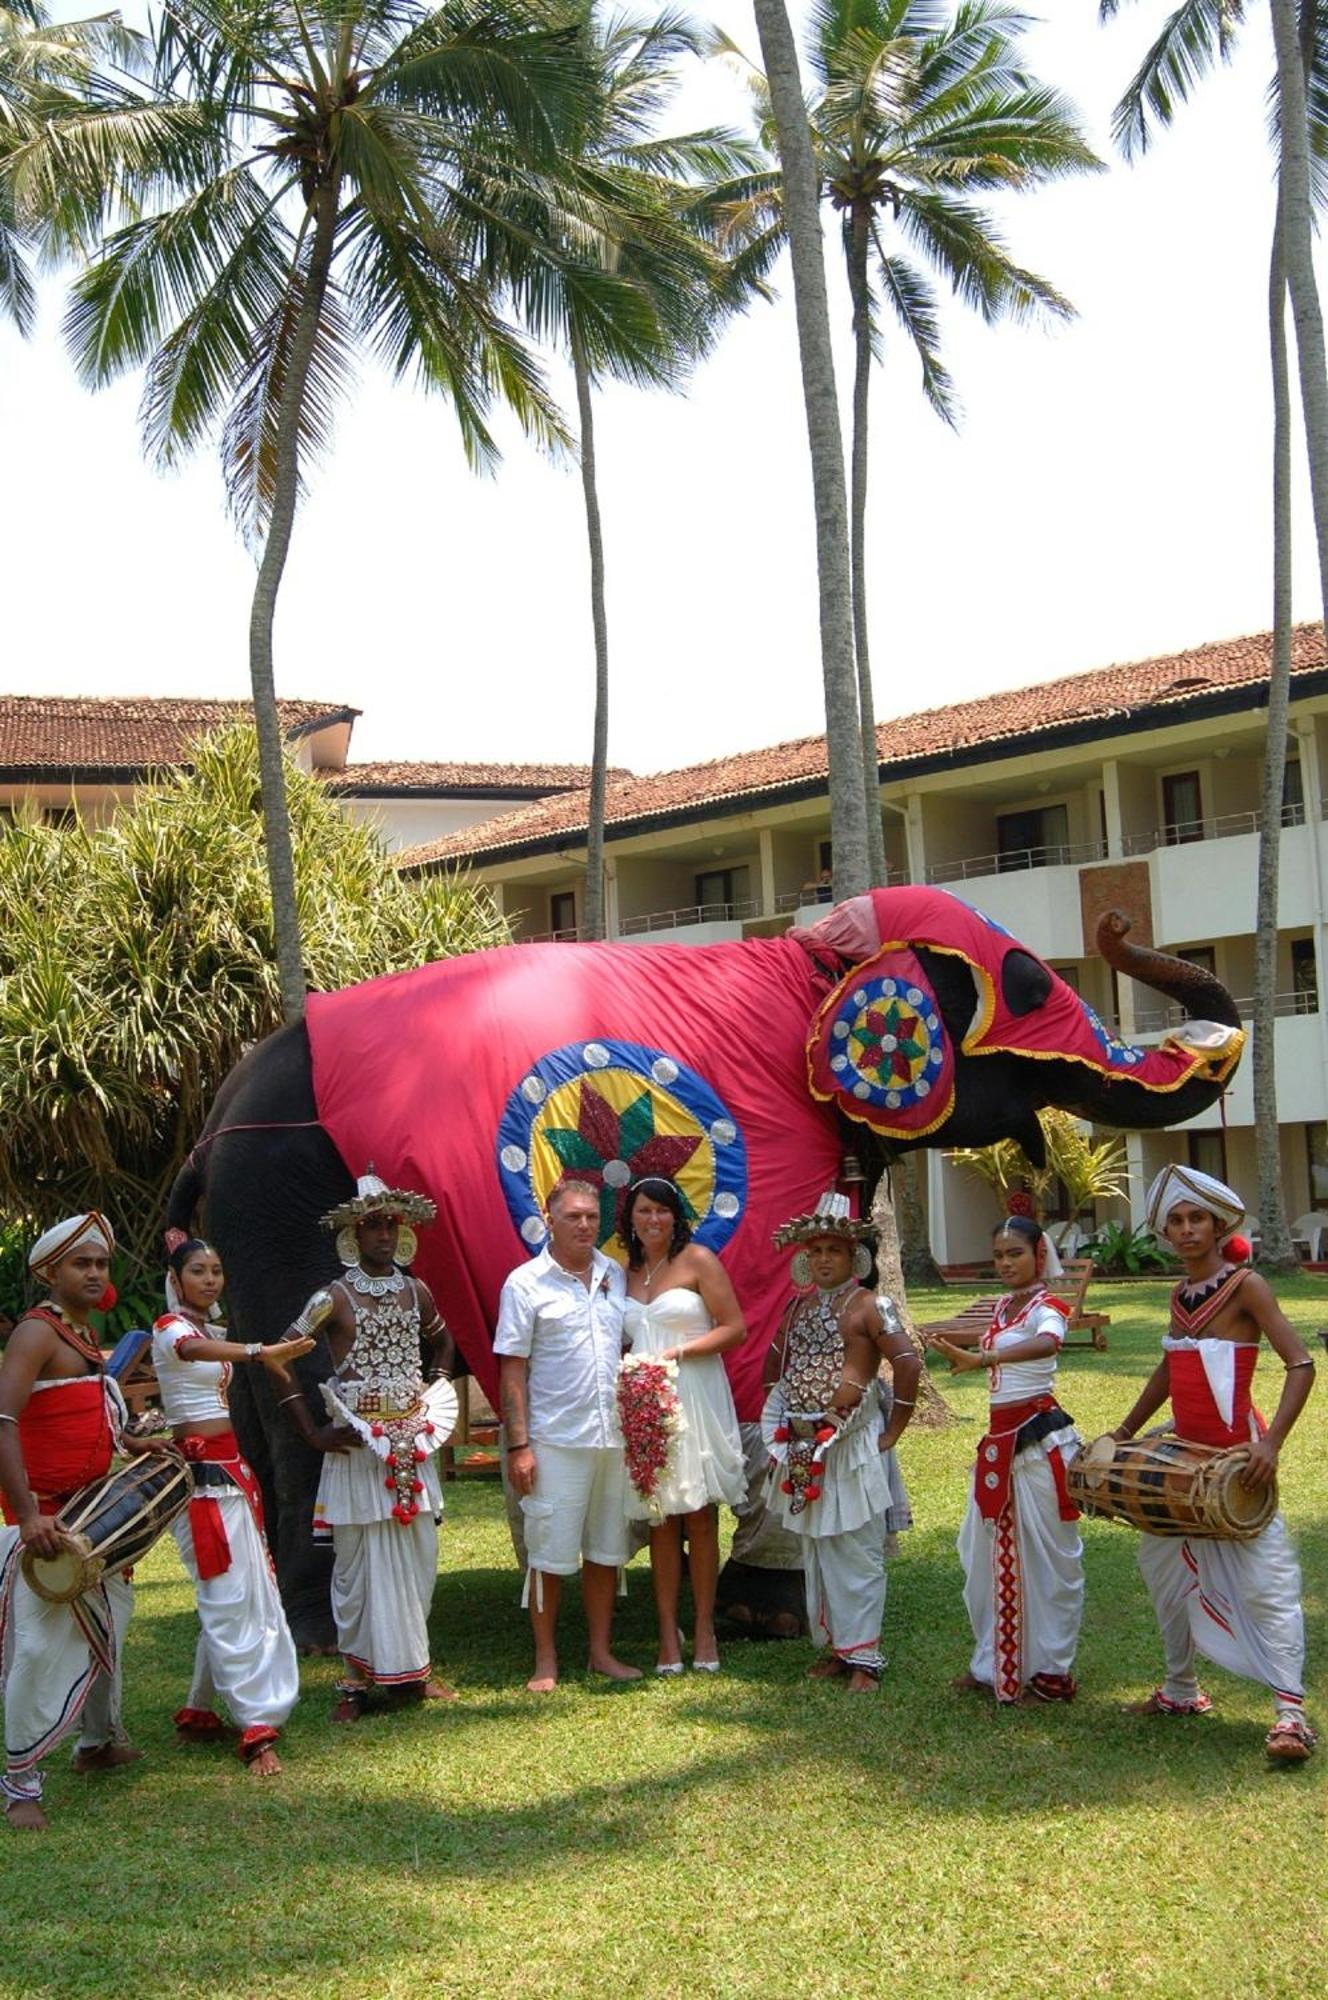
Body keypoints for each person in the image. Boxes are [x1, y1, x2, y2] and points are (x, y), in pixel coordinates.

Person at [1112, 1165, 1316, 1762]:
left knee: (1266, 1585)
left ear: (1219, 1222)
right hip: (1183, 1460)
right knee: (1166, 1576)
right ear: (1167, 1233)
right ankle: (1181, 1689)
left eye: (1196, 1217)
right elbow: (1171, 1367)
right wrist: (1125, 1432)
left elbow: (1300, 1365)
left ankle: (1291, 1716)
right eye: (1175, 1220)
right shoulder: (1180, 1296)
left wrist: (1270, 1444)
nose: (1186, 1228)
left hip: (1236, 1465)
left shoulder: (1247, 1285)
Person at [0, 1213, 164, 1831]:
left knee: (107, 1632)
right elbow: (5, 1422)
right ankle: (20, 1785)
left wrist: (131, 1443)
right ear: (51, 1272)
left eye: (101, 1263)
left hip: (94, 1519)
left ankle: (97, 1744)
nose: (95, 1273)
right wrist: (29, 1514)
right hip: (48, 1520)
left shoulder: (83, 1335)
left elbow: (81, 1415)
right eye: (81, 1264)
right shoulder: (36, 1335)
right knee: (40, 1649)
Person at [274, 1172, 457, 1722]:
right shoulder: (332, 1296)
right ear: (354, 1233)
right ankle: (355, 1684)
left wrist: (435, 1384)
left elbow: (442, 1338)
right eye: (373, 1225)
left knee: (418, 1554)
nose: (382, 1234)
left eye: (390, 1224)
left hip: (413, 1444)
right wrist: (311, 1432)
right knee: (355, 1563)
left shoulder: (415, 1290)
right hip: (356, 1447)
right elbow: (277, 1358)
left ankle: (412, 1672)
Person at [153, 1235, 314, 1775]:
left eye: (217, 1270)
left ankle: (200, 1711)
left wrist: (266, 1351)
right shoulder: (170, 1330)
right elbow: (191, 1354)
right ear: (176, 1280)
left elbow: (211, 1348)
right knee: (226, 1595)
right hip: (200, 1483)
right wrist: (256, 1352)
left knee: (241, 1592)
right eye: (198, 1271)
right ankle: (254, 1724)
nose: (210, 1280)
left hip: (229, 1475)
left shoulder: (211, 1331)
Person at [764, 1192, 919, 1692]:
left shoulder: (872, 1305)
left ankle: (866, 1661)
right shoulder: (797, 1308)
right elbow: (774, 1367)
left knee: (857, 1548)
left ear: (856, 1257)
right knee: (818, 1547)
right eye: (817, 1251)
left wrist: (891, 1431)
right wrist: (782, 1431)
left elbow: (908, 1363)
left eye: (835, 1249)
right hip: (804, 1445)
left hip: (853, 1445)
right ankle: (838, 1648)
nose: (825, 1258)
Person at [496, 1179, 639, 1692]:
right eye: (573, 1216)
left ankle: (601, 1652)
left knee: (605, 1551)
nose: (584, 1225)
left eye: (592, 1217)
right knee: (548, 1555)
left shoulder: (613, 1275)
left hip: (611, 1439)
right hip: (554, 1439)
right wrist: (519, 1444)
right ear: (549, 1219)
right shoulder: (525, 1283)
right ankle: (546, 1659)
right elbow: (512, 1368)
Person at [934, 1216, 1083, 1706]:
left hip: (1038, 1440)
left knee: (1046, 1558)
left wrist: (987, 1361)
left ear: (1038, 1255)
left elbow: (1050, 1341)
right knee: (984, 1553)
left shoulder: (1049, 1305)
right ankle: (994, 1662)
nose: (1005, 1263)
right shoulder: (1003, 1305)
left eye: (1014, 1253)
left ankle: (1050, 1671)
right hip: (999, 1442)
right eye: (998, 1255)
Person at [620, 1177, 746, 1674]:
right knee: (660, 1517)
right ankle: (667, 1634)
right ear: (629, 1217)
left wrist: (677, 1352)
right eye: (643, 1210)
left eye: (662, 1210)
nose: (653, 1219)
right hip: (644, 1402)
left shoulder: (698, 1260)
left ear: (677, 1215)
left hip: (694, 1394)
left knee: (698, 1514)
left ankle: (704, 1630)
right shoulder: (622, 1271)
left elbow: (735, 1327)